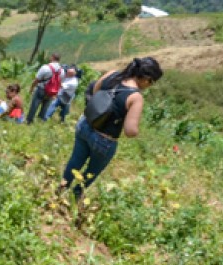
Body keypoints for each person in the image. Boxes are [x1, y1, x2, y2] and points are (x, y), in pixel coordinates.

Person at [59, 57, 163, 199]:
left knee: (75, 160)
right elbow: (130, 131)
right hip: (104, 140)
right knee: (90, 173)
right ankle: (74, 197)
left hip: (85, 125)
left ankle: (61, 190)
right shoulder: (135, 97)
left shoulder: (112, 74)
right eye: (152, 82)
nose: (149, 85)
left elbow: (95, 91)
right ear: (146, 78)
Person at [26, 52, 63, 124]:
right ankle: (40, 121)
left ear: (52, 57)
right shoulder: (62, 71)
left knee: (34, 106)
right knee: (45, 107)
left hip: (41, 89)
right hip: (51, 92)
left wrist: (31, 88)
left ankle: (29, 121)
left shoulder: (46, 67)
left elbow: (37, 80)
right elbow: (59, 82)